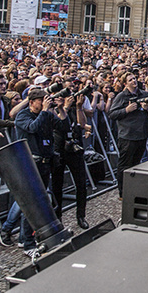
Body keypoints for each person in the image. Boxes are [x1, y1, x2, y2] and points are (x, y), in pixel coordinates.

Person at [15, 87, 69, 256]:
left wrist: (60, 108)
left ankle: (29, 238)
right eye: (41, 101)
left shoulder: (46, 114)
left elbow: (63, 127)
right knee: (32, 204)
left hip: (46, 162)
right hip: (30, 163)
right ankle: (27, 244)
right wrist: (45, 111)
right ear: (32, 102)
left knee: (40, 201)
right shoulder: (23, 115)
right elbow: (32, 128)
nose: (45, 103)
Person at [108, 73, 148, 198]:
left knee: (137, 163)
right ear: (125, 83)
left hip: (141, 134)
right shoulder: (121, 96)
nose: (134, 81)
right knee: (125, 165)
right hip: (127, 135)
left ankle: (134, 189)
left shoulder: (144, 94)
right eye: (130, 80)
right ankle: (123, 192)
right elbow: (112, 114)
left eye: (134, 79)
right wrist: (126, 110)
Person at [51, 92, 91, 229]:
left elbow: (82, 124)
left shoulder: (75, 108)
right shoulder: (52, 108)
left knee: (81, 184)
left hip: (75, 147)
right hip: (59, 148)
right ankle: (58, 218)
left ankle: (81, 216)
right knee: (57, 185)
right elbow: (57, 124)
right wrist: (64, 107)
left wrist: (79, 107)